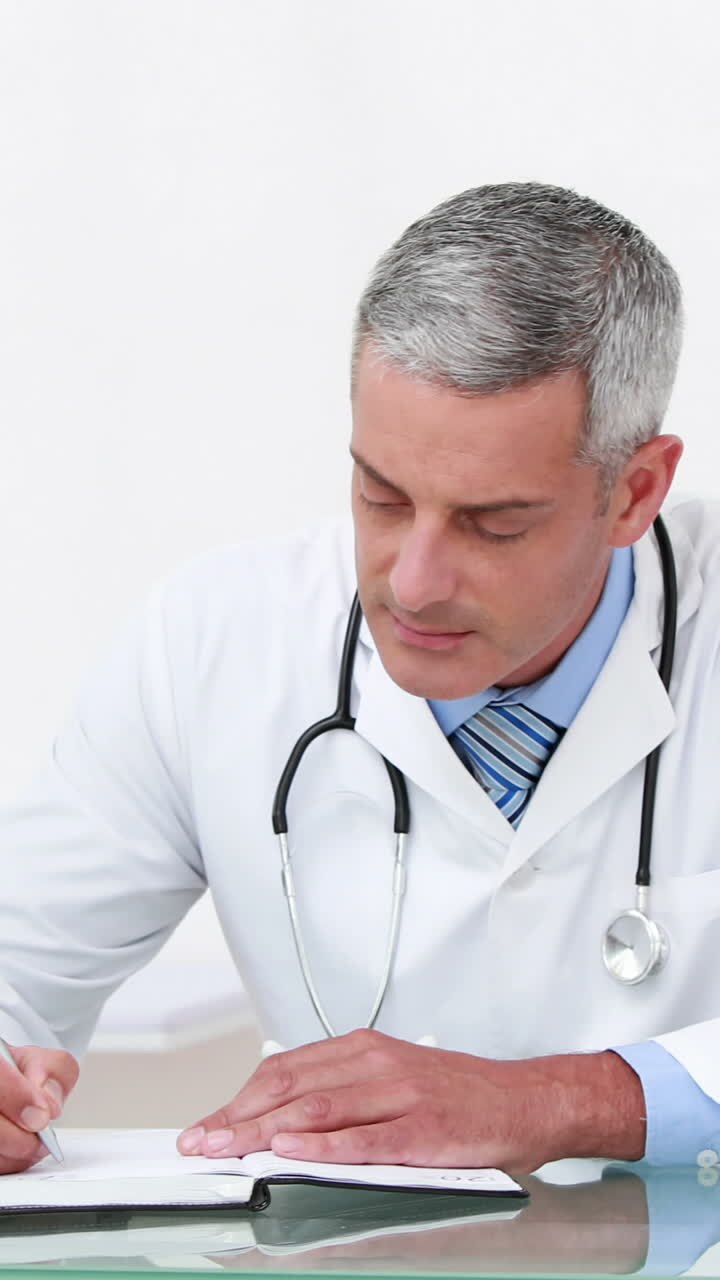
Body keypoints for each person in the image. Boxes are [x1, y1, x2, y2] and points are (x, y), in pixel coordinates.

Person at [1, 181, 719, 1180]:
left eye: (493, 524)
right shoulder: (213, 642)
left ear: (635, 491)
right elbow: (20, 954)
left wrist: (562, 1098)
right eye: (381, 496)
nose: (412, 582)